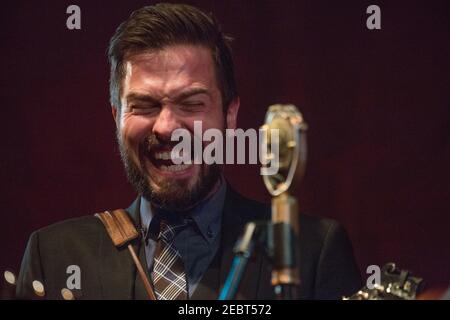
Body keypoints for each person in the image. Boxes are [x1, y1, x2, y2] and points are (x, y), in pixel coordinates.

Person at [16, 3, 361, 300]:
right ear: (116, 118)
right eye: (144, 105)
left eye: (191, 104)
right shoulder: (54, 256)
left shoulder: (312, 251)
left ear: (230, 115)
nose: (166, 128)